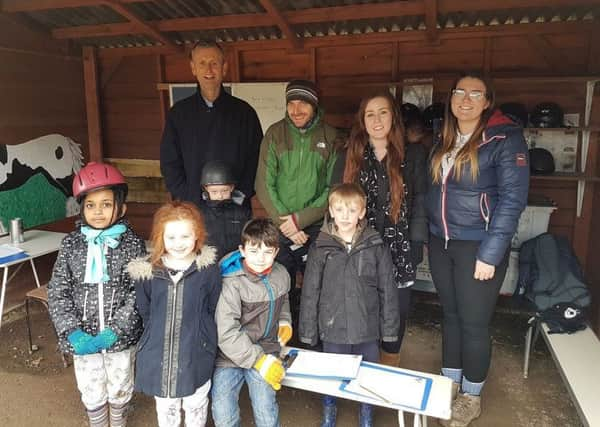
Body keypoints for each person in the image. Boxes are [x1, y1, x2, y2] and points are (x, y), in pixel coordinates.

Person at [426, 73, 529, 427]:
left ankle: (471, 395)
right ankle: (450, 384)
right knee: (450, 316)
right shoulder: (445, 137)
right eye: (459, 92)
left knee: (473, 323)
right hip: (443, 243)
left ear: (487, 102)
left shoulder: (505, 139)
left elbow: (513, 201)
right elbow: (435, 191)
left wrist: (491, 252)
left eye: (475, 94)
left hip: (478, 244)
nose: (465, 99)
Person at [48, 162, 147, 427]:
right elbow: (58, 291)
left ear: (121, 207)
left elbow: (139, 292)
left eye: (106, 204)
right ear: (81, 208)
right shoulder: (70, 245)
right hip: (84, 338)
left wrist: (117, 329)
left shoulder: (132, 244)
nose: (98, 211)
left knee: (120, 385)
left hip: (119, 338)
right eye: (90, 205)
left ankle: (118, 422)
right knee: (91, 388)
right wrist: (72, 331)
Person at [299, 183, 399, 427]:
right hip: (333, 326)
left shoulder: (375, 245)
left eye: (352, 210)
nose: (345, 216)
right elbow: (311, 291)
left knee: (369, 372)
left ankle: (366, 412)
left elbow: (388, 289)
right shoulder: (321, 247)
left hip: (367, 326)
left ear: (362, 213)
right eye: (339, 209)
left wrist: (389, 330)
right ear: (331, 211)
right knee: (332, 372)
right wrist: (308, 331)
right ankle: (329, 409)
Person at [343, 93, 428, 368]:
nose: (377, 120)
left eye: (383, 112)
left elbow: (420, 200)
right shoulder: (352, 154)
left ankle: (389, 364)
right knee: (363, 307)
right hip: (359, 247)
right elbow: (336, 200)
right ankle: (364, 366)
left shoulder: (413, 154)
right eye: (370, 114)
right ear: (362, 120)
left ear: (394, 117)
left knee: (395, 311)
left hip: (399, 246)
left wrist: (416, 242)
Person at [254, 79, 341, 325]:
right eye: (291, 103)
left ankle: (314, 339)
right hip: (280, 225)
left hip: (316, 226)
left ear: (314, 105)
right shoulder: (274, 134)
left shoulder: (331, 137)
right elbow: (263, 183)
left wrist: (300, 220)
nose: (296, 110)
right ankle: (284, 340)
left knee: (318, 287)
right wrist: (287, 223)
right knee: (281, 287)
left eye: (303, 103)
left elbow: (332, 188)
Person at [128, 201, 221, 427]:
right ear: (161, 237)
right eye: (171, 238)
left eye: (185, 237)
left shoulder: (207, 271)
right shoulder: (149, 272)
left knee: (196, 402)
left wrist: (205, 339)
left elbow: (212, 307)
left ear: (197, 235)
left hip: (196, 350)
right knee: (166, 405)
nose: (178, 244)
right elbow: (146, 311)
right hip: (159, 351)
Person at [160, 40, 263, 207]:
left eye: (214, 63)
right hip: (193, 207)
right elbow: (169, 162)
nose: (208, 70)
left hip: (235, 208)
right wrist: (187, 196)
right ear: (193, 68)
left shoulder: (244, 113)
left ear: (224, 68)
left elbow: (257, 159)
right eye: (202, 63)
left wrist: (241, 194)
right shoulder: (179, 114)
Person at [211, 218, 292, 427]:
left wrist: (285, 322)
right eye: (254, 251)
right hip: (230, 354)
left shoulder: (281, 274)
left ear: (276, 252)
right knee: (223, 411)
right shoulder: (232, 282)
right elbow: (226, 332)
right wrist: (259, 360)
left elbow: (284, 302)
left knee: (265, 409)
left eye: (267, 252)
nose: (261, 258)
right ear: (243, 250)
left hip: (266, 347)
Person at [196, 160, 252, 260]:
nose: (220, 196)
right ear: (206, 188)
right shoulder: (199, 213)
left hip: (235, 263)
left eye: (224, 191)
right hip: (209, 264)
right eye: (214, 192)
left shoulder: (243, 213)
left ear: (231, 187)